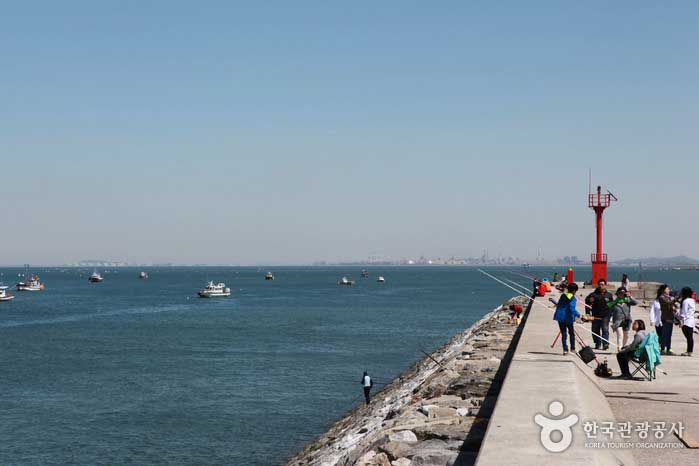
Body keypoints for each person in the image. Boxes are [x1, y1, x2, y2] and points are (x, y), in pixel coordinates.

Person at [553, 282, 581, 355]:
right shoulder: (573, 298)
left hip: (560, 317)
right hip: (568, 318)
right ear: (574, 291)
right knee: (571, 333)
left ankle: (565, 350)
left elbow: (559, 304)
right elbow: (572, 308)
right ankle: (572, 348)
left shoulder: (563, 296)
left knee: (564, 334)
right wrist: (578, 315)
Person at [585, 279, 613, 350]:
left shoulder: (609, 295)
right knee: (595, 330)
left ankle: (605, 343)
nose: (601, 286)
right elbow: (587, 303)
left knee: (605, 330)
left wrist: (612, 314)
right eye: (599, 284)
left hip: (606, 315)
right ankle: (597, 343)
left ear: (605, 285)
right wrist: (588, 313)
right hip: (595, 315)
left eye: (602, 284)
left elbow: (612, 305)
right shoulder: (593, 295)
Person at [657, 284, 676, 355]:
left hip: (670, 318)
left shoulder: (669, 297)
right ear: (663, 290)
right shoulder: (661, 297)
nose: (669, 290)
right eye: (667, 289)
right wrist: (675, 299)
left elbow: (672, 305)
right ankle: (663, 349)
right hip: (665, 318)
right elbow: (668, 303)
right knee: (664, 334)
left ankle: (668, 348)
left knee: (669, 335)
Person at [679, 287, 695, 357]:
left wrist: (681, 322)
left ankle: (689, 351)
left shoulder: (685, 301)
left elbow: (683, 312)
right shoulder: (692, 300)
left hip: (686, 321)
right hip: (691, 321)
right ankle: (690, 351)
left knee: (688, 337)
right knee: (690, 337)